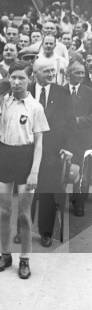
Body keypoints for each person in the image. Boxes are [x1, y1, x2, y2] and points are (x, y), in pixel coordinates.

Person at [0, 61, 49, 279]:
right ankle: (5, 254)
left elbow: (39, 143)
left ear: (30, 79)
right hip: (4, 156)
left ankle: (25, 259)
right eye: (13, 77)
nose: (17, 82)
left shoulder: (35, 107)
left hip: (26, 158)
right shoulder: (3, 101)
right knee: (4, 211)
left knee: (23, 214)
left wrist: (35, 172)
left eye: (21, 77)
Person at [28, 58, 75, 247]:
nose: (50, 74)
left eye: (52, 71)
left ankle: (46, 232)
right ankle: (22, 228)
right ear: (35, 73)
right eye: (46, 71)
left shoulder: (62, 92)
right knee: (27, 191)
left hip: (52, 152)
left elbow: (71, 123)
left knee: (47, 192)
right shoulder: (26, 90)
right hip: (27, 150)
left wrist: (69, 147)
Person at [67, 60, 92, 216]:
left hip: (83, 138)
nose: (81, 76)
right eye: (77, 72)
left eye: (83, 73)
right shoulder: (59, 91)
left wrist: (78, 121)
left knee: (83, 172)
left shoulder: (89, 92)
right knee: (63, 170)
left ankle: (79, 202)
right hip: (64, 138)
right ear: (69, 73)